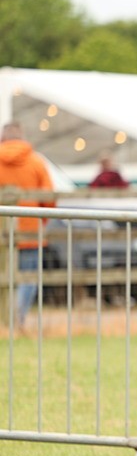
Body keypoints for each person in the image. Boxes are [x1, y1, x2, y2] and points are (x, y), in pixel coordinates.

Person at [0, 122, 54, 331]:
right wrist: (41, 220)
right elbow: (49, 198)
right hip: (30, 231)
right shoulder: (36, 162)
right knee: (28, 278)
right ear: (22, 138)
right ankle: (17, 319)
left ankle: (5, 320)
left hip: (1, 232)